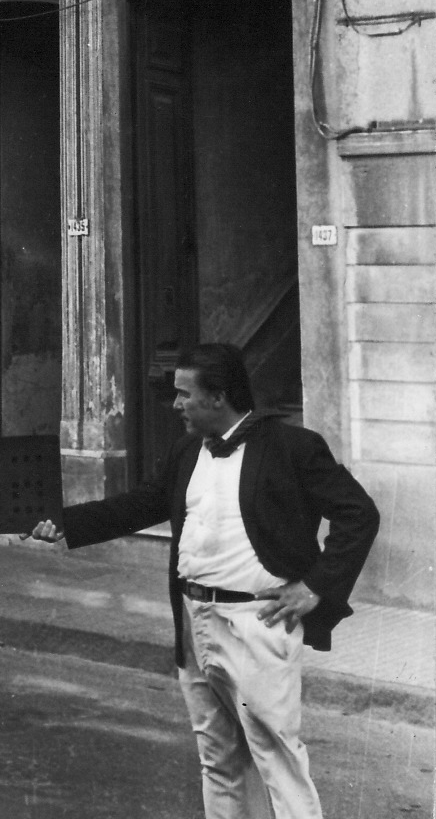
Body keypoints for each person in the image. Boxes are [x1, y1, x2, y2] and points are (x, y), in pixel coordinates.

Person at [27, 343, 379, 819]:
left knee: (277, 759)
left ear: (218, 396)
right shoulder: (188, 450)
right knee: (218, 761)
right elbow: (141, 505)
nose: (175, 404)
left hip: (257, 623)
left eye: (184, 394)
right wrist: (65, 522)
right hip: (195, 622)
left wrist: (314, 587)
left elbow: (359, 515)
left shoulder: (292, 447)